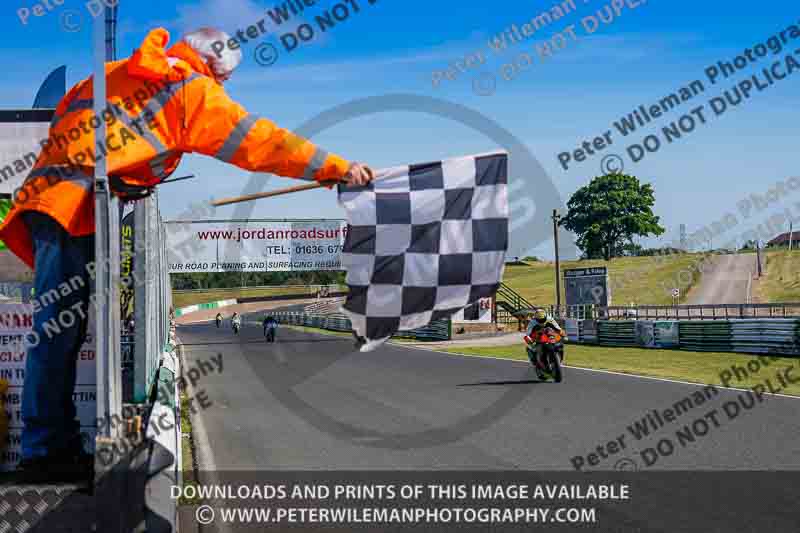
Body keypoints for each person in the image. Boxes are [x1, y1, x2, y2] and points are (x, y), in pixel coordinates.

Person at [0, 27, 374, 482]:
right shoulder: (189, 88)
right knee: (59, 331)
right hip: (74, 206)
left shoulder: (115, 72)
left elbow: (76, 130)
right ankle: (45, 452)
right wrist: (334, 168)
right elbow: (261, 142)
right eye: (224, 79)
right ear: (213, 66)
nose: (223, 87)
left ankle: (51, 446)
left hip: (50, 202)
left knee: (60, 329)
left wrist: (125, 177)